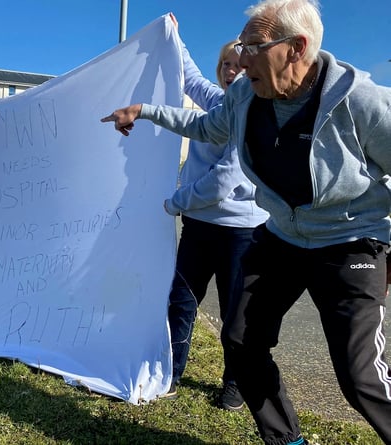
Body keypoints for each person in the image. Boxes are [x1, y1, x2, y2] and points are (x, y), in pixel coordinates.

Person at [101, 1, 391, 443]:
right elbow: (207, 127)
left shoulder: (360, 100)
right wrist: (145, 110)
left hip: (350, 242)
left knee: (358, 376)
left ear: (297, 48)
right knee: (241, 343)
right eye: (242, 45)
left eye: (253, 46)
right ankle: (286, 440)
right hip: (282, 237)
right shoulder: (245, 96)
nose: (242, 59)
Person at [162, 15, 269, 411]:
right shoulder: (218, 102)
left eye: (241, 66)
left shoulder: (256, 115)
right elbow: (188, 77)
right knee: (182, 300)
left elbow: (225, 180)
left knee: (235, 313)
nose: (233, 71)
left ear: (254, 72)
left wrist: (176, 201)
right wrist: (174, 34)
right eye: (227, 64)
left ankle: (234, 383)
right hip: (200, 227)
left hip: (243, 231)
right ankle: (171, 373)